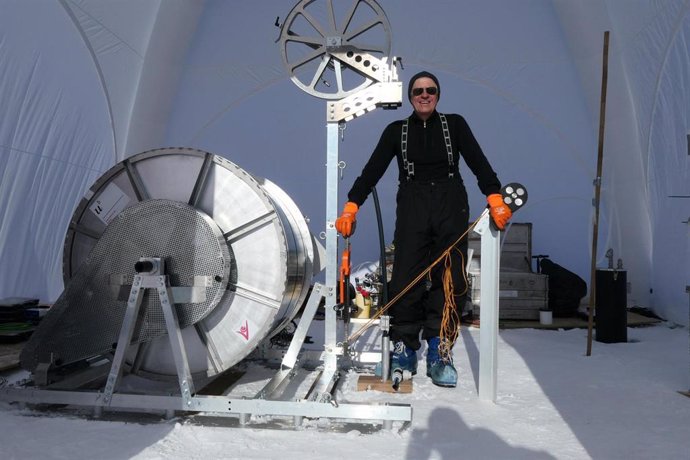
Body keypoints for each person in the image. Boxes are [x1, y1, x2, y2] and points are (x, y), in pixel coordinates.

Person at [335, 71, 512, 387]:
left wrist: (494, 195)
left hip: (449, 201)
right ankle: (404, 345)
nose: (424, 95)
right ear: (410, 96)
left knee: (450, 276)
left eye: (430, 90)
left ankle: (439, 348)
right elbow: (371, 171)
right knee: (405, 276)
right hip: (413, 203)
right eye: (418, 90)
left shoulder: (454, 125)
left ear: (438, 94)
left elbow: (478, 162)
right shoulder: (396, 131)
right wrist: (352, 204)